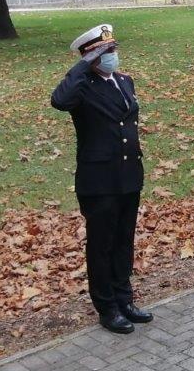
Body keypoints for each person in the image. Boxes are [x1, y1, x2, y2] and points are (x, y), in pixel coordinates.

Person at [50, 24, 152, 334]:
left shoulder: (124, 81)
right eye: (106, 51)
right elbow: (59, 100)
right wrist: (82, 65)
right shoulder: (82, 86)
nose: (113, 55)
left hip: (128, 175)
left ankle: (125, 299)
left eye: (113, 49)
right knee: (101, 245)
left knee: (123, 241)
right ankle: (107, 307)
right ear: (91, 56)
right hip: (99, 180)